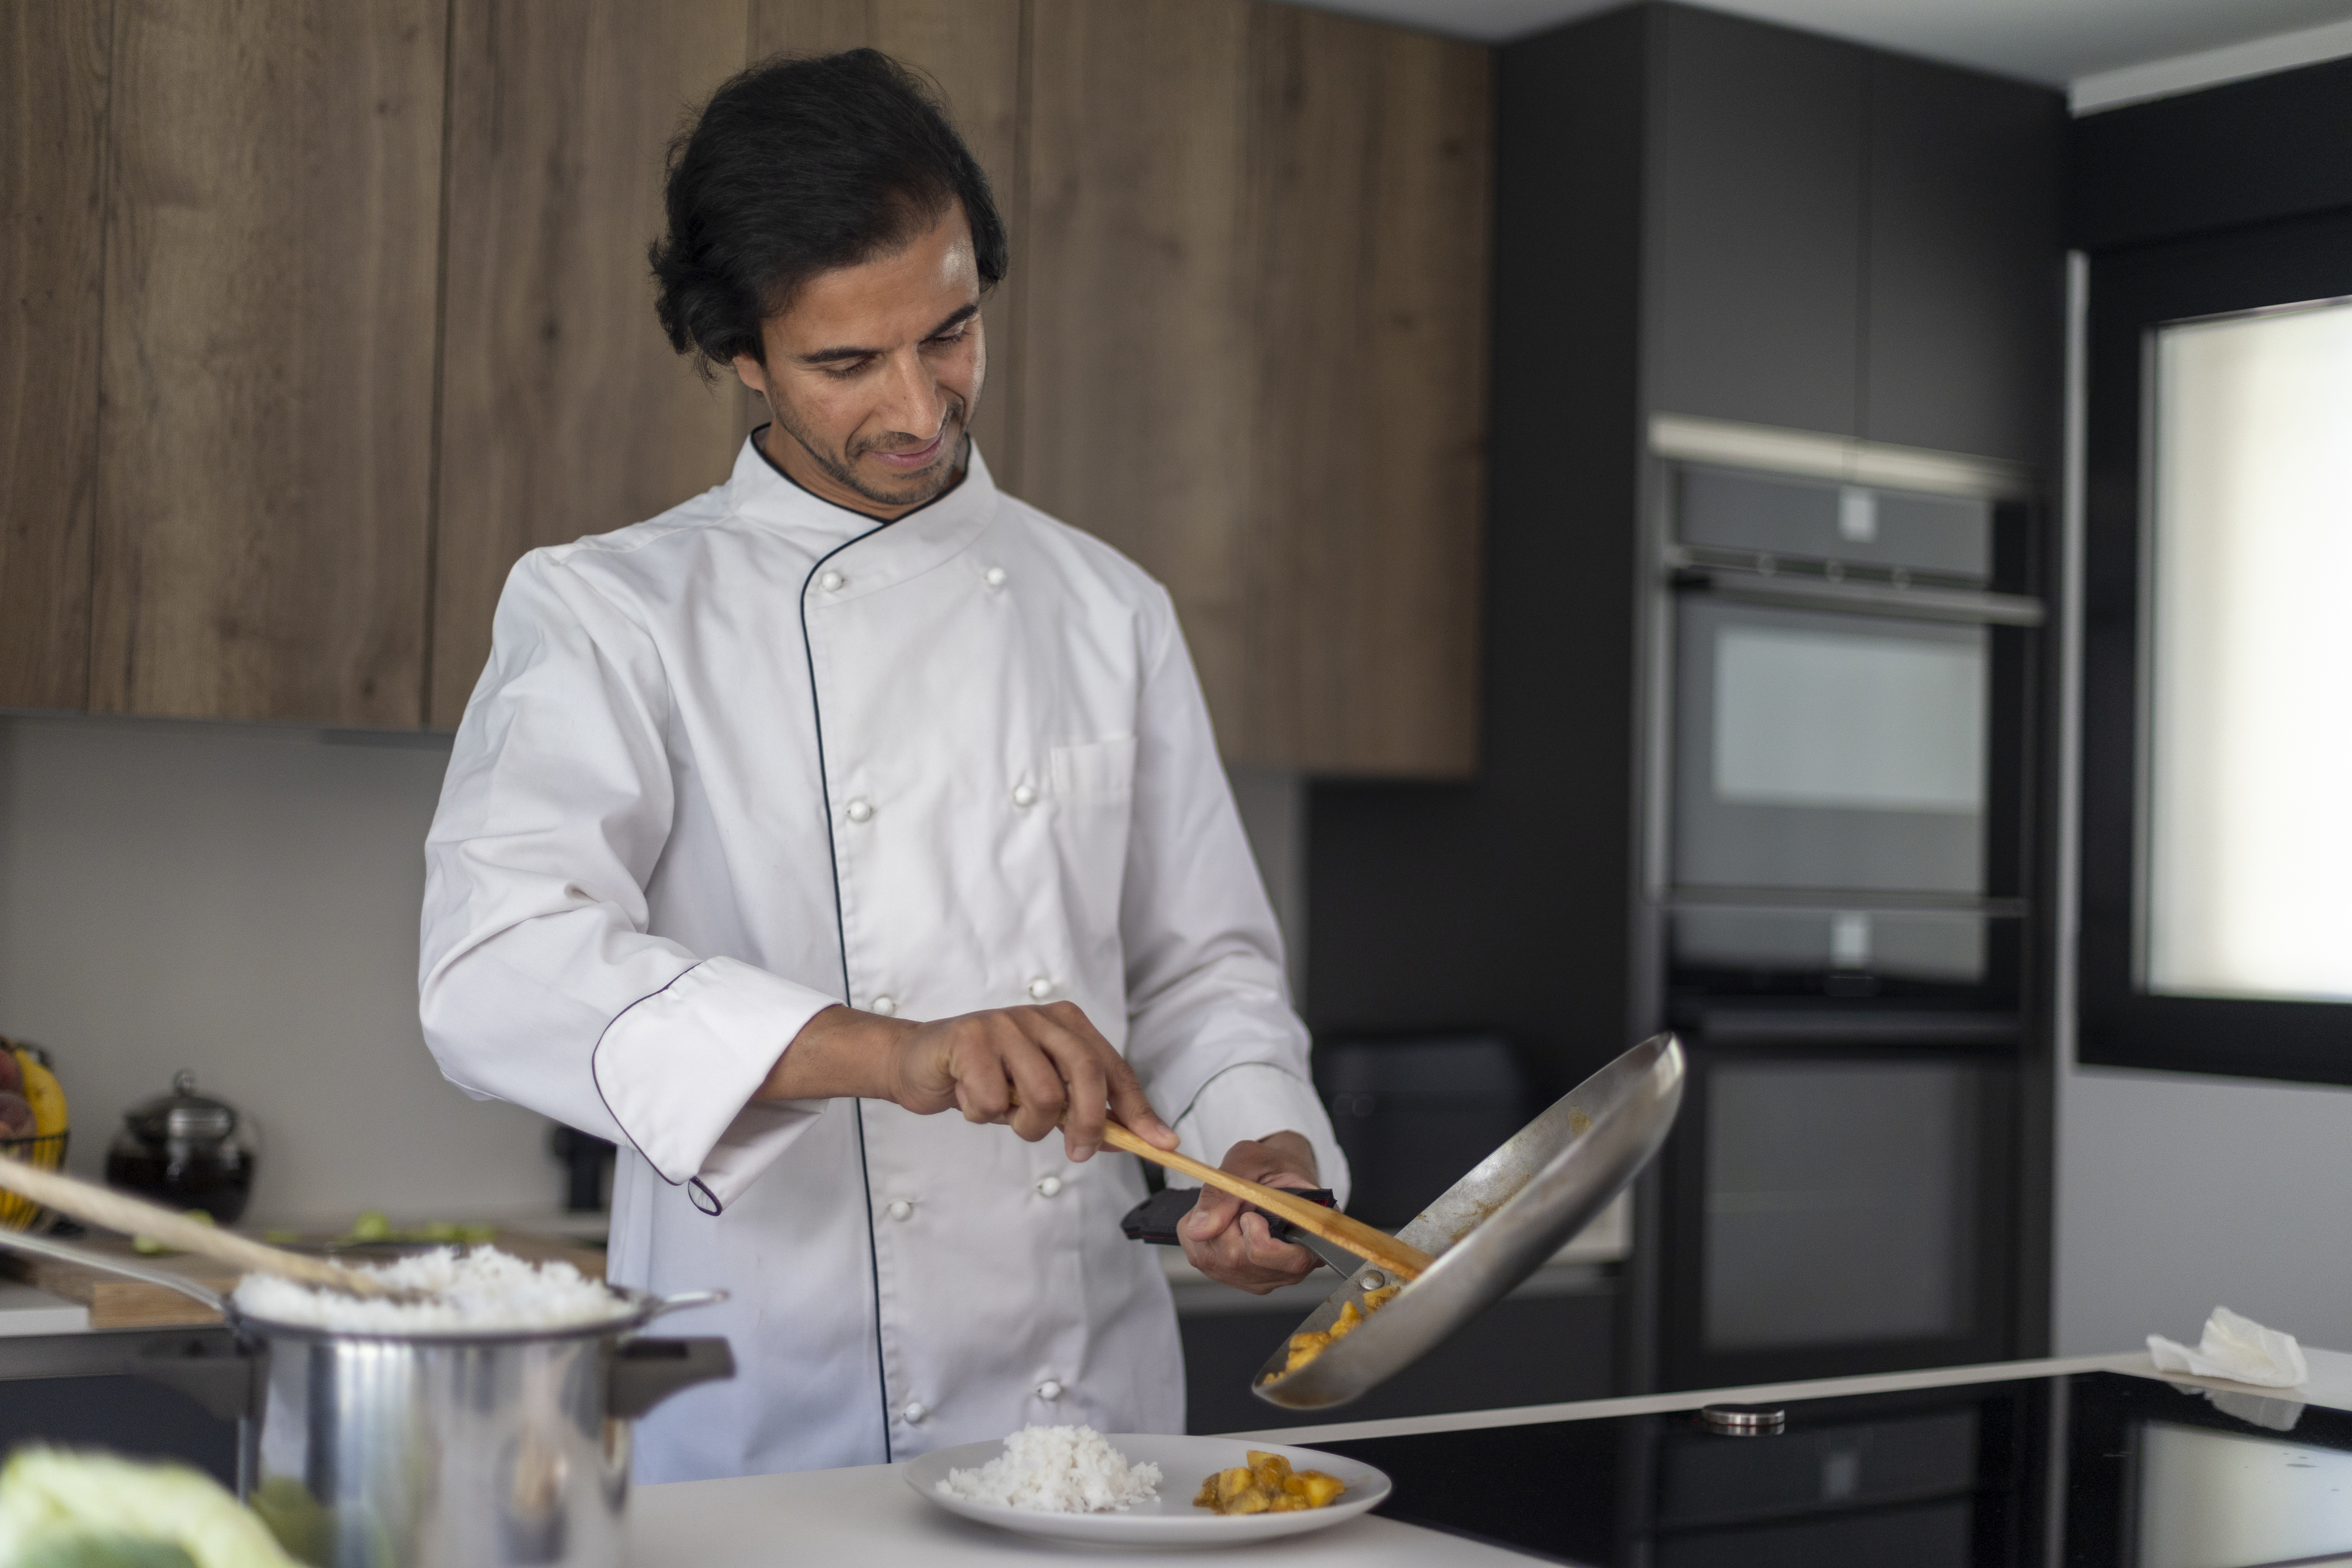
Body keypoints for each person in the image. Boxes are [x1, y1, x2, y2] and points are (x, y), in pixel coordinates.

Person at [417, 48, 1349, 1482]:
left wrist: (1263, 1158)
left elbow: (1199, 975)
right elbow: (494, 965)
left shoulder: (1106, 607)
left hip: (1087, 1426)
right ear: (740, 352)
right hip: (774, 1430)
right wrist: (899, 1051)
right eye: (846, 365)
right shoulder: (613, 609)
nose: (918, 410)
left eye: (952, 334)